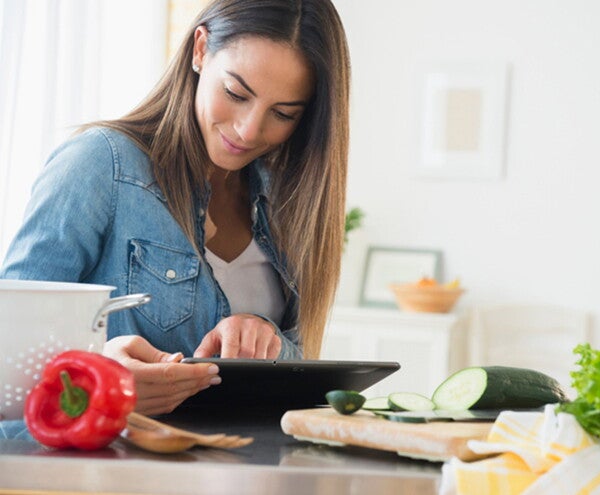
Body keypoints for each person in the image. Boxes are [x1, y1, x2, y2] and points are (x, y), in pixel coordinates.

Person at [0, 0, 350, 416]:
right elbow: (11, 357)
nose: (249, 130)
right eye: (236, 93)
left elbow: (301, 372)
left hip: (247, 470)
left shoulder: (288, 202)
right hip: (113, 473)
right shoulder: (101, 164)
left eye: (282, 113)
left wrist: (267, 340)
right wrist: (103, 386)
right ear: (199, 50)